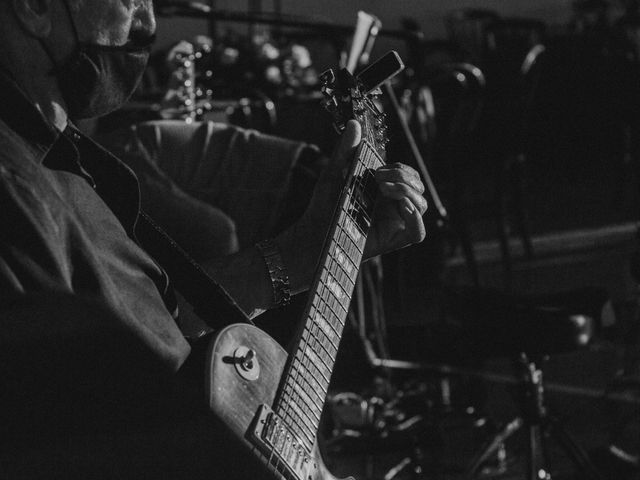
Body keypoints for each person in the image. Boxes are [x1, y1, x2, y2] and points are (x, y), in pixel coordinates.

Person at [0, 0, 428, 476]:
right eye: (129, 0)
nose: (148, 24)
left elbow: (154, 328)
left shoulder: (67, 161)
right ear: (34, 8)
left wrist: (304, 254)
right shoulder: (14, 193)